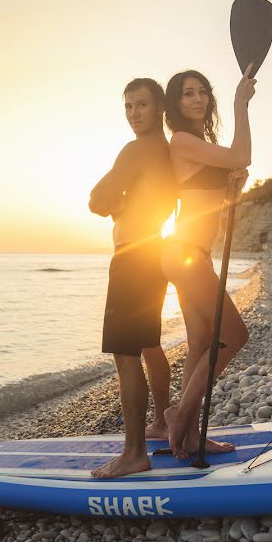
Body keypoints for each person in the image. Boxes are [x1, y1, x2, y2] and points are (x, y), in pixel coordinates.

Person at [160, 64, 256, 459]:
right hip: (182, 253)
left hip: (192, 253)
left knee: (201, 343)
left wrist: (236, 180)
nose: (197, 98)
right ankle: (179, 415)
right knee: (234, 335)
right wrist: (241, 104)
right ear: (176, 104)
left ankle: (193, 435)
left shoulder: (200, 144)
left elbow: (232, 175)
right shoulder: (181, 140)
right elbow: (243, 153)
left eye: (201, 91)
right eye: (187, 93)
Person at [88, 78, 177, 478]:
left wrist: (117, 207)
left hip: (130, 259)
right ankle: (161, 420)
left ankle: (135, 452)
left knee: (126, 359)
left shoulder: (136, 150)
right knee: (149, 344)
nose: (133, 114)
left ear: (159, 106)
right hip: (155, 251)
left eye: (141, 105)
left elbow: (96, 199)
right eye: (128, 107)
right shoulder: (170, 149)